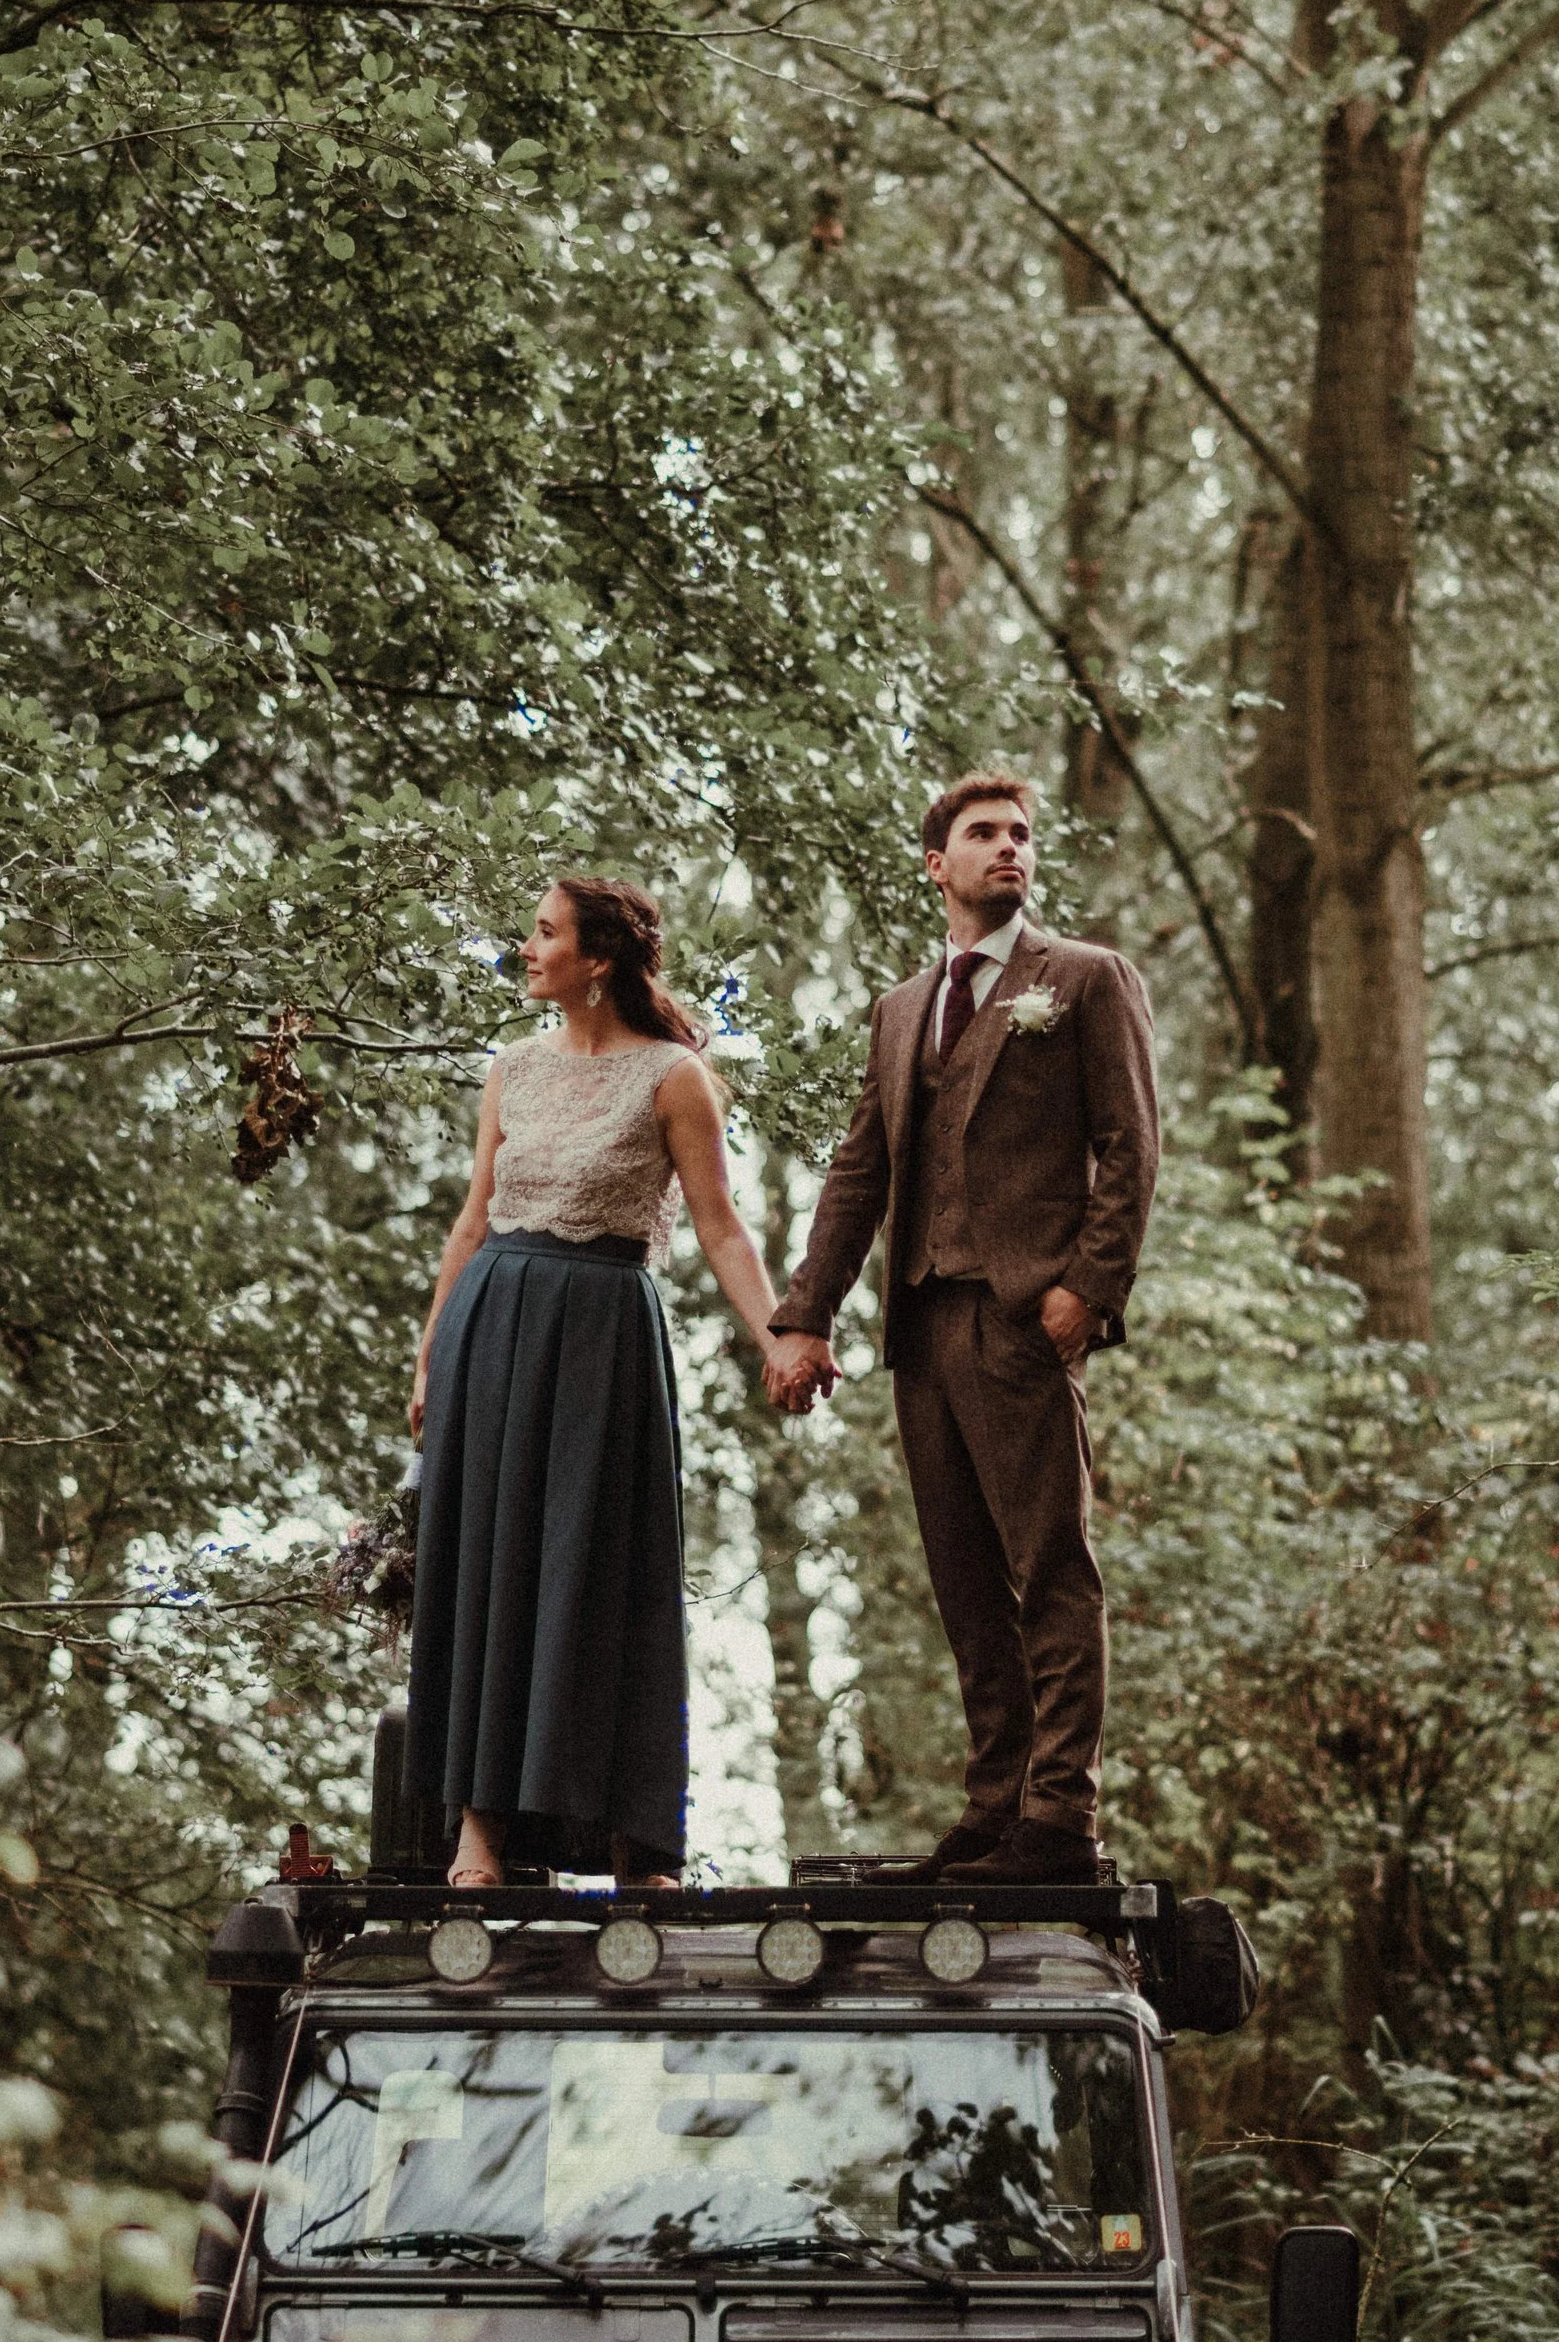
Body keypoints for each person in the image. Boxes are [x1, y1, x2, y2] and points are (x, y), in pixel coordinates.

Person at [762, 774, 1160, 1887]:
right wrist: (804, 1315)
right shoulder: (899, 1007)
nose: (1008, 849)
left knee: (1051, 1566)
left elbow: (1132, 1145)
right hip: (921, 1327)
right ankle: (995, 1805)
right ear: (934, 864)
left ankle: (1059, 1813)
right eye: (983, 835)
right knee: (965, 1578)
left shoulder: (1081, 980)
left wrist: (1089, 1288)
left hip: (1021, 1315)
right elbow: (859, 1172)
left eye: (1020, 835)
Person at [406, 874, 789, 1891]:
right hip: (493, 1326)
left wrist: (779, 1339)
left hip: (604, 1336)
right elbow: (472, 1218)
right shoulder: (511, 1070)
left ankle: (638, 1844)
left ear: (599, 958)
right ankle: (477, 1840)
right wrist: (430, 1353)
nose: (526, 948)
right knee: (491, 1564)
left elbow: (721, 1228)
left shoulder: (673, 1076)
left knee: (608, 1572)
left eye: (543, 933)